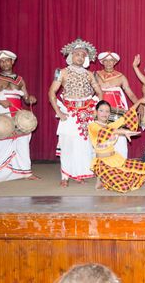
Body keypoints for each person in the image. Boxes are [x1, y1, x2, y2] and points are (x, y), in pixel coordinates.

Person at [0, 50, 39, 186]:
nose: (5, 63)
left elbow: (26, 97)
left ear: (12, 62)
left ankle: (25, 171)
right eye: (2, 61)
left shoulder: (20, 80)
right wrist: (0, 102)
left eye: (7, 60)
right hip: (2, 114)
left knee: (22, 142)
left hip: (18, 114)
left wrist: (31, 99)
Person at [48, 38, 103, 187]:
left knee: (84, 146)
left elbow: (99, 92)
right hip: (69, 113)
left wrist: (95, 111)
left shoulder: (90, 74)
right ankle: (65, 176)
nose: (80, 57)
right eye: (77, 54)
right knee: (68, 145)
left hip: (86, 113)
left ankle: (79, 174)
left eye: (83, 55)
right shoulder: (61, 72)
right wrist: (59, 112)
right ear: (71, 56)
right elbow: (51, 92)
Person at [89, 100, 145, 193]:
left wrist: (138, 102)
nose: (104, 113)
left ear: (110, 113)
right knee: (124, 187)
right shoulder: (93, 126)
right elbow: (104, 132)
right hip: (102, 164)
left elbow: (125, 117)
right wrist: (123, 131)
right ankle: (102, 178)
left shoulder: (110, 125)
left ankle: (107, 179)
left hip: (115, 159)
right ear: (96, 111)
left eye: (107, 111)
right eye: (101, 110)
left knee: (144, 168)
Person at [95, 51, 139, 158]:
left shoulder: (121, 77)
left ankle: (121, 161)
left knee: (120, 136)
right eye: (106, 61)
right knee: (101, 134)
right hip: (100, 111)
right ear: (102, 62)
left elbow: (130, 93)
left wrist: (140, 105)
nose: (109, 63)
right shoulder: (96, 75)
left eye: (111, 61)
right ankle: (102, 163)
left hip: (117, 110)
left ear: (115, 62)